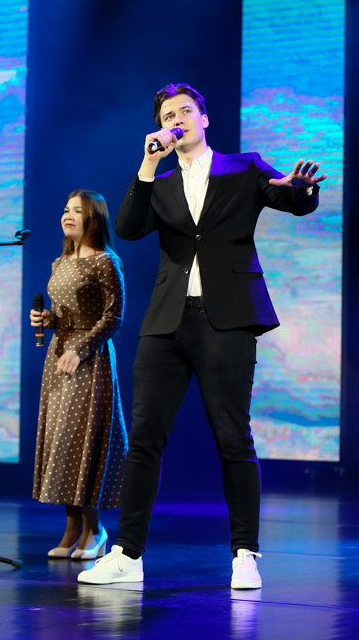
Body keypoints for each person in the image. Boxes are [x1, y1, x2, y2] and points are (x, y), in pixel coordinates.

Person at [78, 82, 325, 589]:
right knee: (144, 439)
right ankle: (128, 554)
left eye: (185, 111)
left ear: (204, 118)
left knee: (233, 437)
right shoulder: (161, 181)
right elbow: (128, 227)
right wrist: (148, 164)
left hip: (226, 319)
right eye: (169, 116)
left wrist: (301, 189)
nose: (178, 120)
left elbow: (290, 198)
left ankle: (245, 554)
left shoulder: (245, 167)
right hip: (166, 322)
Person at [30, 189, 128, 561]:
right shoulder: (60, 261)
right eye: (65, 209)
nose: (67, 215)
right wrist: (48, 319)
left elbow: (113, 317)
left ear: (94, 220)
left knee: (82, 440)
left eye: (77, 210)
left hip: (90, 359)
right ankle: (72, 527)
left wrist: (80, 349)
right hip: (58, 358)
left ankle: (94, 529)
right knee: (59, 440)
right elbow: (63, 314)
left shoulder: (106, 262)